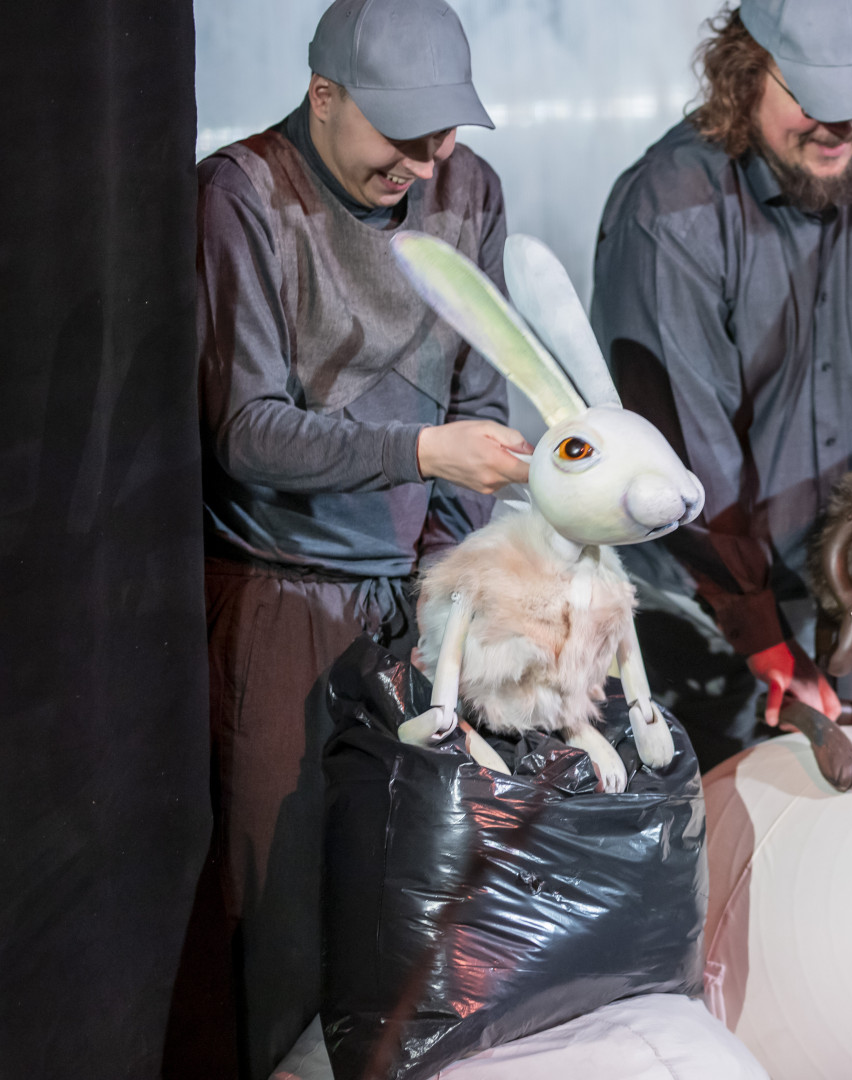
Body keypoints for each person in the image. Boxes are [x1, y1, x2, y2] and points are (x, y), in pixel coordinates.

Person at [172, 1, 528, 1075]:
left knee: (417, 924)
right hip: (279, 596)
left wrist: (444, 579)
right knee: (279, 926)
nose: (423, 162)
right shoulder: (244, 194)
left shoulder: (469, 192)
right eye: (401, 135)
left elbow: (483, 399)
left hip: (415, 602)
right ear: (322, 96)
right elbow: (246, 429)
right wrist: (420, 452)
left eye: (443, 134)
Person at [590, 0, 852, 768]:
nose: (841, 127)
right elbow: (680, 442)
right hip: (699, 604)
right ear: (745, 72)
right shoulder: (671, 208)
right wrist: (757, 627)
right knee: (715, 821)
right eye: (815, 100)